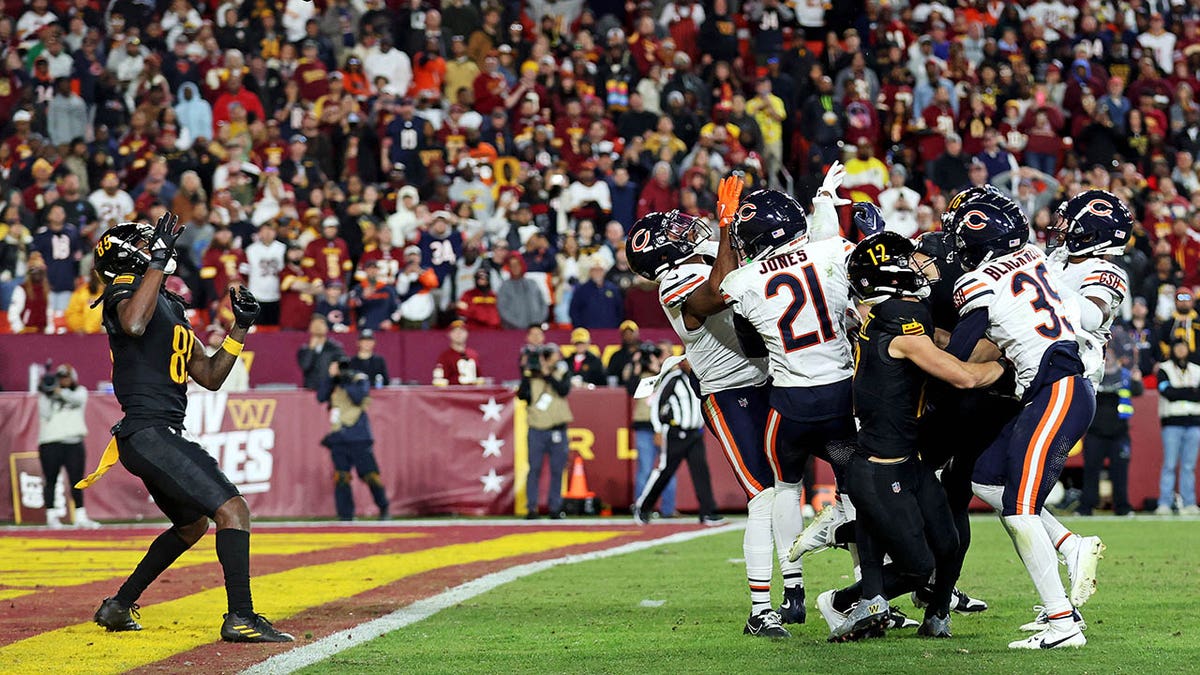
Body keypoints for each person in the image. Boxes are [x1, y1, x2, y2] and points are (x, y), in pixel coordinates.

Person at [82, 213, 292, 642]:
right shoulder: (122, 293)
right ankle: (241, 617)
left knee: (192, 524)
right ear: (129, 258)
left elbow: (211, 375)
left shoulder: (168, 304)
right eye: (145, 245)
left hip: (157, 434)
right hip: (149, 430)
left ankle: (119, 605)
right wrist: (156, 263)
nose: (156, 247)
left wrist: (240, 328)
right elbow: (134, 324)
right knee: (233, 511)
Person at [818, 230, 1004, 642]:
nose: (915, 269)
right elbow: (964, 375)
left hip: (906, 461)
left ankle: (870, 585)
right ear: (889, 277)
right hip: (880, 468)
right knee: (917, 566)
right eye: (906, 263)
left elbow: (943, 344)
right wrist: (1011, 364)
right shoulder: (901, 324)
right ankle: (848, 601)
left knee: (948, 543)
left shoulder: (892, 315)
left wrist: (994, 345)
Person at [947, 191, 1095, 649]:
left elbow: (959, 350)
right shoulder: (1034, 256)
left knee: (1019, 510)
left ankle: (1062, 623)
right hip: (1058, 387)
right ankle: (1069, 545)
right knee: (987, 479)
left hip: (1056, 389)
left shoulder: (976, 281)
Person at [710, 178, 858, 631]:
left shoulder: (742, 280)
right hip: (840, 400)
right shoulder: (832, 251)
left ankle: (792, 591)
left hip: (789, 406)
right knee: (853, 489)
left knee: (785, 489)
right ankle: (865, 585)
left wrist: (726, 227)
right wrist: (825, 203)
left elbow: (751, 343)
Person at [635, 357, 723, 527]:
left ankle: (708, 512)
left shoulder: (703, 379)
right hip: (676, 433)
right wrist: (658, 428)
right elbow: (657, 403)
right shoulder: (673, 379)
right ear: (683, 362)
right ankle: (643, 508)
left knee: (701, 472)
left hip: (695, 433)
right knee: (665, 471)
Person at [318, 356, 389, 521]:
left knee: (370, 475)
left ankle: (384, 507)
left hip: (358, 435)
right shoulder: (334, 382)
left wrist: (347, 380)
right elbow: (321, 397)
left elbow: (358, 397)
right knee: (341, 477)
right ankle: (345, 516)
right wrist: (332, 378)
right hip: (338, 436)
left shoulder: (359, 378)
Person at [1079, 347, 1141, 516]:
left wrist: (1137, 379)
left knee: (1120, 473)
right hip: (1095, 433)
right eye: (1106, 356)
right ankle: (1086, 508)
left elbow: (1138, 390)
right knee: (1091, 472)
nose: (1109, 359)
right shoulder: (1092, 375)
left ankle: (1123, 508)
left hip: (1119, 433)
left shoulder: (1125, 376)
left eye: (1111, 356)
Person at [37, 363, 99, 529]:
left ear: (73, 378)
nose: (64, 381)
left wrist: (59, 392)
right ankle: (51, 516)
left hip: (74, 442)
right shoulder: (46, 394)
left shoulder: (80, 391)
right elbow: (45, 414)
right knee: (50, 480)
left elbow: (77, 401)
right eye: (61, 378)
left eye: (67, 377)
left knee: (77, 480)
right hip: (50, 442)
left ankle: (80, 516)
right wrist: (48, 393)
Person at [517, 342, 573, 519]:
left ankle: (555, 508)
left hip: (558, 429)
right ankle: (531, 508)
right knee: (534, 469)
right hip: (537, 429)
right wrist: (527, 371)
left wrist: (548, 375)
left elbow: (564, 390)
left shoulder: (561, 371)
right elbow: (522, 395)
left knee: (557, 470)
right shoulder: (530, 376)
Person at [624, 341, 676, 520]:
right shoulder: (643, 375)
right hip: (645, 425)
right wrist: (637, 365)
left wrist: (660, 366)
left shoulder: (671, 372)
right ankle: (640, 507)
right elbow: (631, 389)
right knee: (645, 469)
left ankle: (668, 509)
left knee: (668, 468)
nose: (657, 355)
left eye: (661, 352)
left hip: (665, 425)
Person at [1156, 338, 1200, 516]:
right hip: (1172, 423)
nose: (1181, 350)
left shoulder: (1196, 369)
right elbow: (1168, 393)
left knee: (1189, 466)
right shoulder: (1164, 369)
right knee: (1170, 464)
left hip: (1194, 423)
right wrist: (1191, 392)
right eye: (1178, 347)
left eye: (1184, 347)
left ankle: (1189, 502)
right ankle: (1164, 503)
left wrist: (1180, 392)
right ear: (1172, 349)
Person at [244, 221, 286, 326]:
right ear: (259, 233)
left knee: (274, 328)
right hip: (256, 295)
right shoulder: (250, 250)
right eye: (264, 230)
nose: (267, 233)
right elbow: (244, 273)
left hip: (276, 294)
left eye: (271, 230)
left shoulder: (283, 248)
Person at [297, 315, 346, 390]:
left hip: (330, 390)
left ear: (327, 328)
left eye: (321, 323)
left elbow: (344, 366)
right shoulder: (304, 349)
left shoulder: (335, 348)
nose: (318, 327)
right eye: (315, 324)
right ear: (310, 328)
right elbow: (305, 366)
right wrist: (311, 349)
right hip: (310, 389)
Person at [433, 319, 482, 385]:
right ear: (449, 334)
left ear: (467, 333)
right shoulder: (444, 357)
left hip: (473, 393)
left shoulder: (473, 354)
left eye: (462, 331)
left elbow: (478, 377)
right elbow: (440, 380)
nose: (458, 334)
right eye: (455, 331)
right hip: (454, 393)